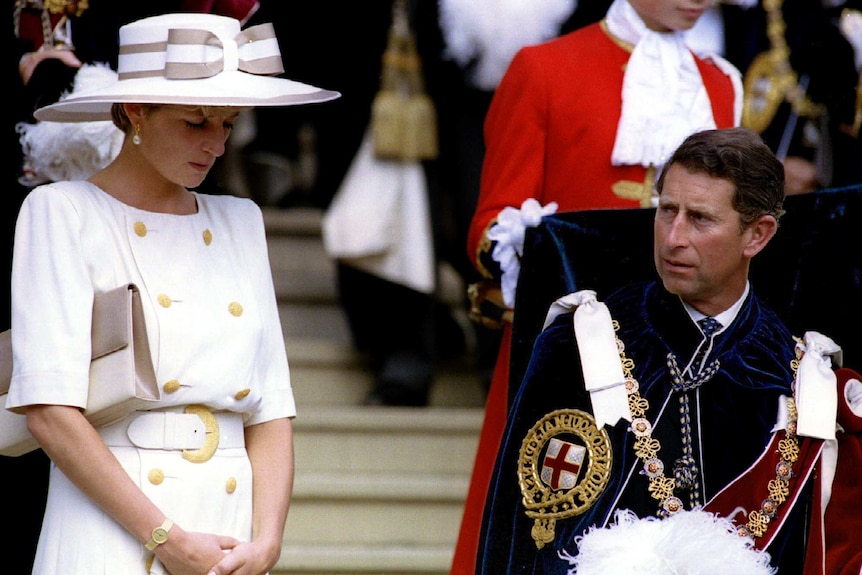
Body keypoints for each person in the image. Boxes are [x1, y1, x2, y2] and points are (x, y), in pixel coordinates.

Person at [5, 12, 338, 575]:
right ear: (135, 111)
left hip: (226, 536)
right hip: (110, 525)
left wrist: (268, 540)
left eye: (228, 124)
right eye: (195, 123)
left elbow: (272, 407)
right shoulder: (61, 211)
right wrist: (165, 538)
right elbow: (48, 411)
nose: (217, 144)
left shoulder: (242, 220)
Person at [476, 127, 854, 574]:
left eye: (700, 218)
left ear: (757, 235)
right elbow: (524, 538)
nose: (673, 236)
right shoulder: (576, 347)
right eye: (667, 211)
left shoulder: (800, 380)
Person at [453, 0, 743, 570]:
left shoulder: (720, 82)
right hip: (566, 354)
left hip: (686, 355)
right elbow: (490, 224)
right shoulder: (542, 68)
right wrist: (527, 240)